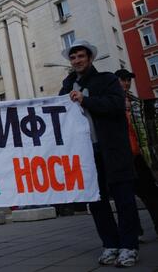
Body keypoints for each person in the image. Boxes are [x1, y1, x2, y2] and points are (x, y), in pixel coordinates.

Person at [59, 40, 140, 267]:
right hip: (86, 154)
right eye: (73, 57)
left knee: (124, 199)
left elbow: (115, 105)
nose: (76, 61)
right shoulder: (67, 87)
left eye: (81, 56)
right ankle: (111, 244)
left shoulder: (107, 80)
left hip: (113, 150)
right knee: (96, 201)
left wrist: (86, 100)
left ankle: (129, 246)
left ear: (90, 58)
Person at [114, 68, 158, 237]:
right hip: (122, 156)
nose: (126, 83)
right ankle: (135, 232)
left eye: (128, 80)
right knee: (126, 198)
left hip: (138, 155)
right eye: (122, 80)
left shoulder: (135, 102)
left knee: (150, 194)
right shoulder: (113, 102)